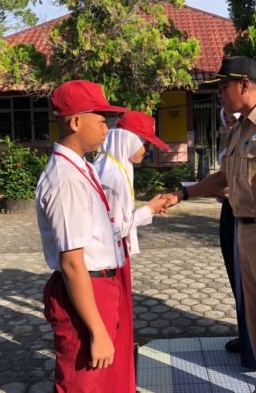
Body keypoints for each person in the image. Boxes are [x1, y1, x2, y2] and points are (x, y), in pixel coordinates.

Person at [164, 56, 256, 393]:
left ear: (244, 84)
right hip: (246, 231)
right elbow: (224, 177)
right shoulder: (243, 126)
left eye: (223, 86)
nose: (219, 94)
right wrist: (182, 195)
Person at [35, 80, 131, 393]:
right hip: (86, 291)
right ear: (75, 121)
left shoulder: (80, 168)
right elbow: (73, 262)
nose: (108, 129)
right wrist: (97, 331)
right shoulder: (66, 180)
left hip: (99, 287)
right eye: (102, 121)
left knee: (101, 382)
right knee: (83, 384)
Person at [92, 111, 169, 391]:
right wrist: (147, 210)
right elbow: (112, 229)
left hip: (115, 253)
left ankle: (119, 380)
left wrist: (147, 211)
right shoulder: (112, 175)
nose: (147, 151)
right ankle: (115, 382)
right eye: (145, 143)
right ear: (129, 139)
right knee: (117, 322)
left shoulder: (116, 165)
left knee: (120, 322)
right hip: (110, 257)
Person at [217, 108, 256, 369]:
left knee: (249, 285)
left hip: (249, 216)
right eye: (227, 121)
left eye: (235, 120)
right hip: (229, 213)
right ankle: (246, 337)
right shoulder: (229, 148)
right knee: (236, 280)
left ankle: (254, 351)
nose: (231, 125)